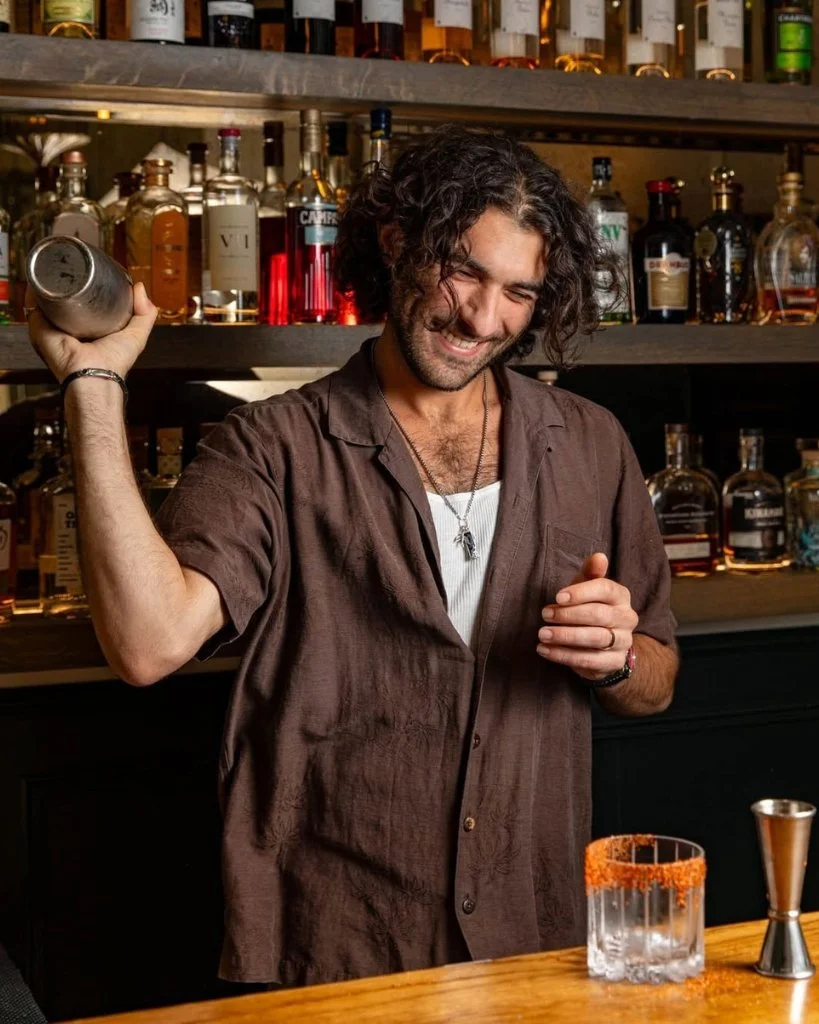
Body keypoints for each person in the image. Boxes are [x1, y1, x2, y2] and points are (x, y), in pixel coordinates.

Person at [26, 126, 678, 991]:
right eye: (463, 271)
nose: (483, 319)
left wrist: (617, 656)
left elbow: (659, 677)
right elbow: (148, 644)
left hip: (536, 936)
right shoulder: (272, 446)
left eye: (518, 292)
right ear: (396, 240)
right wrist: (94, 389)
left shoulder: (590, 441)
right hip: (338, 943)